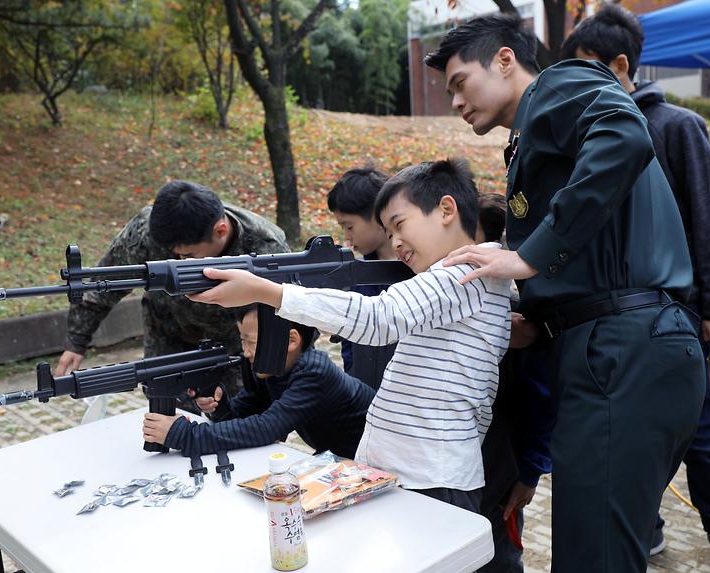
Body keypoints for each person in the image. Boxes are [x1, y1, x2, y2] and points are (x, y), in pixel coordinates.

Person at [427, 14, 704, 571]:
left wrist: (529, 256)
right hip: (615, 346)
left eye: (460, 82)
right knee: (597, 548)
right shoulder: (535, 132)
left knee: (592, 557)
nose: (455, 101)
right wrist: (532, 319)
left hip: (620, 348)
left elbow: (626, 135)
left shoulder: (559, 85)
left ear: (506, 60)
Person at [188, 158, 511, 513]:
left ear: (446, 209)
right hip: (421, 473)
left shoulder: (462, 274)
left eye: (400, 225)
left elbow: (378, 317)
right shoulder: (467, 276)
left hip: (431, 481)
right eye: (389, 234)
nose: (397, 242)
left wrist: (268, 292)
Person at [561, 6, 710, 567]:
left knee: (698, 436)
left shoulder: (675, 126)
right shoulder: (584, 136)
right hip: (612, 323)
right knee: (633, 442)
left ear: (621, 65)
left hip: (675, 314)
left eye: (586, 70)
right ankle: (648, 526)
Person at [54, 180, 289, 398]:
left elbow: (292, 313)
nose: (180, 260)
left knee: (239, 413)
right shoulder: (147, 233)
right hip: (168, 329)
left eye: (189, 255)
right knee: (165, 402)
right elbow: (104, 284)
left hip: (236, 343)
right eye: (173, 254)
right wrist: (77, 340)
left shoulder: (267, 248)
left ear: (220, 231)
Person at [142, 305, 375, 458]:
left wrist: (185, 436)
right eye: (243, 342)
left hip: (372, 460)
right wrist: (220, 406)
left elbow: (266, 428)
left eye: (251, 342)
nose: (245, 352)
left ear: (291, 341)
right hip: (337, 456)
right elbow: (242, 419)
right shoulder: (271, 368)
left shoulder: (315, 372)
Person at [474, 192, 554, 573]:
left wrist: (530, 472)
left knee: (499, 556)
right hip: (461, 472)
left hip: (502, 474)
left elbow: (541, 402)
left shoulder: (515, 320)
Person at [327, 166, 404, 390]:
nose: (347, 237)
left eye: (349, 226)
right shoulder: (357, 275)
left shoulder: (417, 269)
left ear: (379, 216)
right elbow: (349, 340)